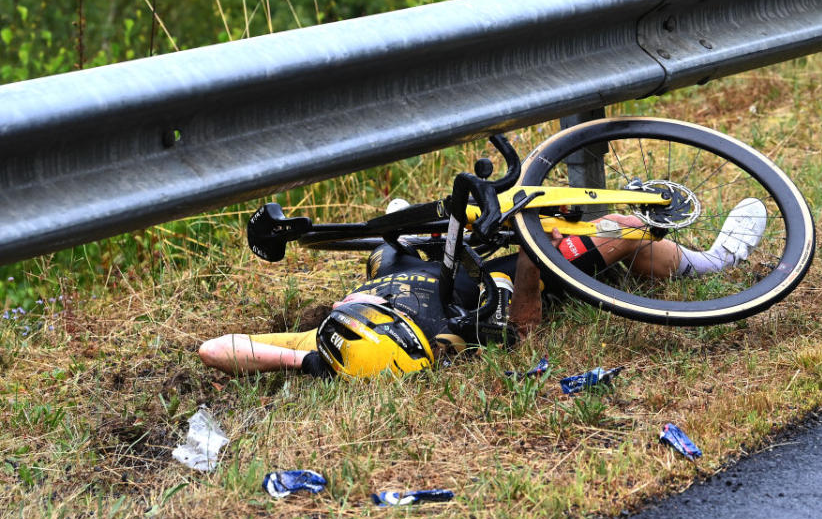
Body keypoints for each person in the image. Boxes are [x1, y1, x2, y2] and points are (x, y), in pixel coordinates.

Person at [198, 198, 767, 378]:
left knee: (394, 235)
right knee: (622, 234)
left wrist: (301, 363)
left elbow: (217, 347)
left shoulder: (333, 338)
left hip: (419, 255)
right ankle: (710, 261)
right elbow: (524, 313)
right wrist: (530, 274)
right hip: (511, 278)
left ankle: (406, 224)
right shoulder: (448, 328)